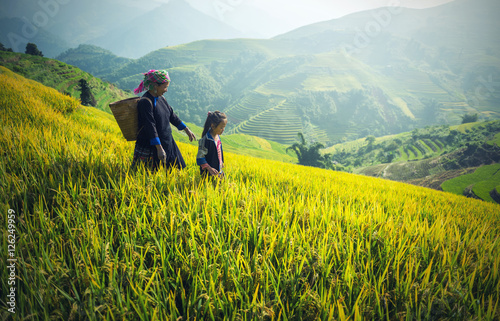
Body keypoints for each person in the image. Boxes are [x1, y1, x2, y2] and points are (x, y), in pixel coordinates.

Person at [131, 69, 196, 172]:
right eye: (165, 87)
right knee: (149, 174)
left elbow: (172, 116)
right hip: (152, 145)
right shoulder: (145, 102)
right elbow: (150, 126)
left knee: (176, 170)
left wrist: (186, 130)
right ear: (155, 86)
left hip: (167, 141)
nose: (166, 90)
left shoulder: (161, 99)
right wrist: (159, 148)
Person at [196, 111, 227, 178]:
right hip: (209, 174)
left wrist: (221, 162)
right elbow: (200, 157)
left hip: (218, 171)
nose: (223, 130)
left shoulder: (218, 137)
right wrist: (209, 168)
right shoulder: (206, 140)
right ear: (213, 126)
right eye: (221, 127)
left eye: (224, 127)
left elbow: (219, 151)